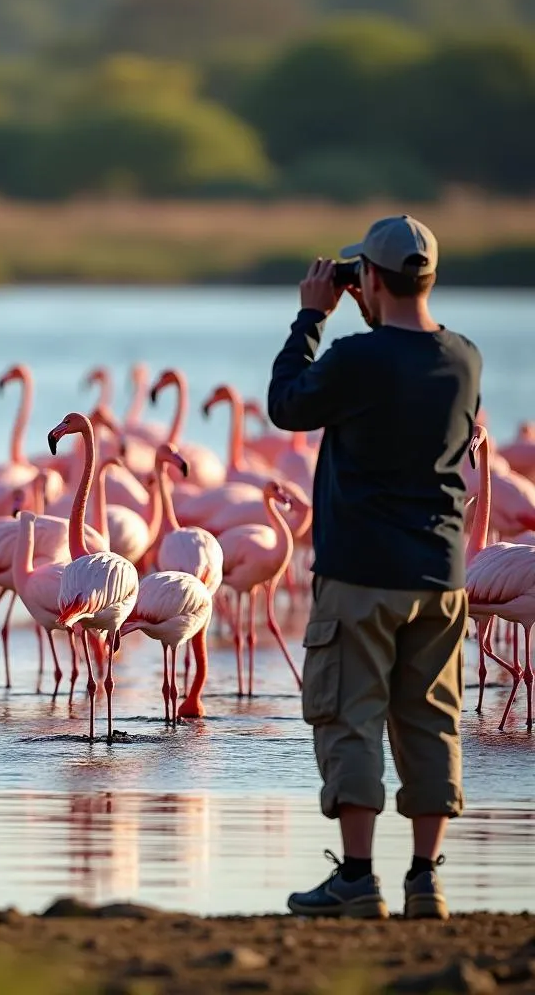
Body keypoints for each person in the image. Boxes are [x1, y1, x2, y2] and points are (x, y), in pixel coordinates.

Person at [267, 214, 482, 920]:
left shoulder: (357, 359)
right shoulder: (465, 359)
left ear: (373, 280)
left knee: (349, 716)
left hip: (362, 573)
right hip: (442, 577)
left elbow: (287, 405)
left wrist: (310, 317)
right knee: (431, 720)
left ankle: (357, 877)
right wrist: (378, 310)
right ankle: (426, 879)